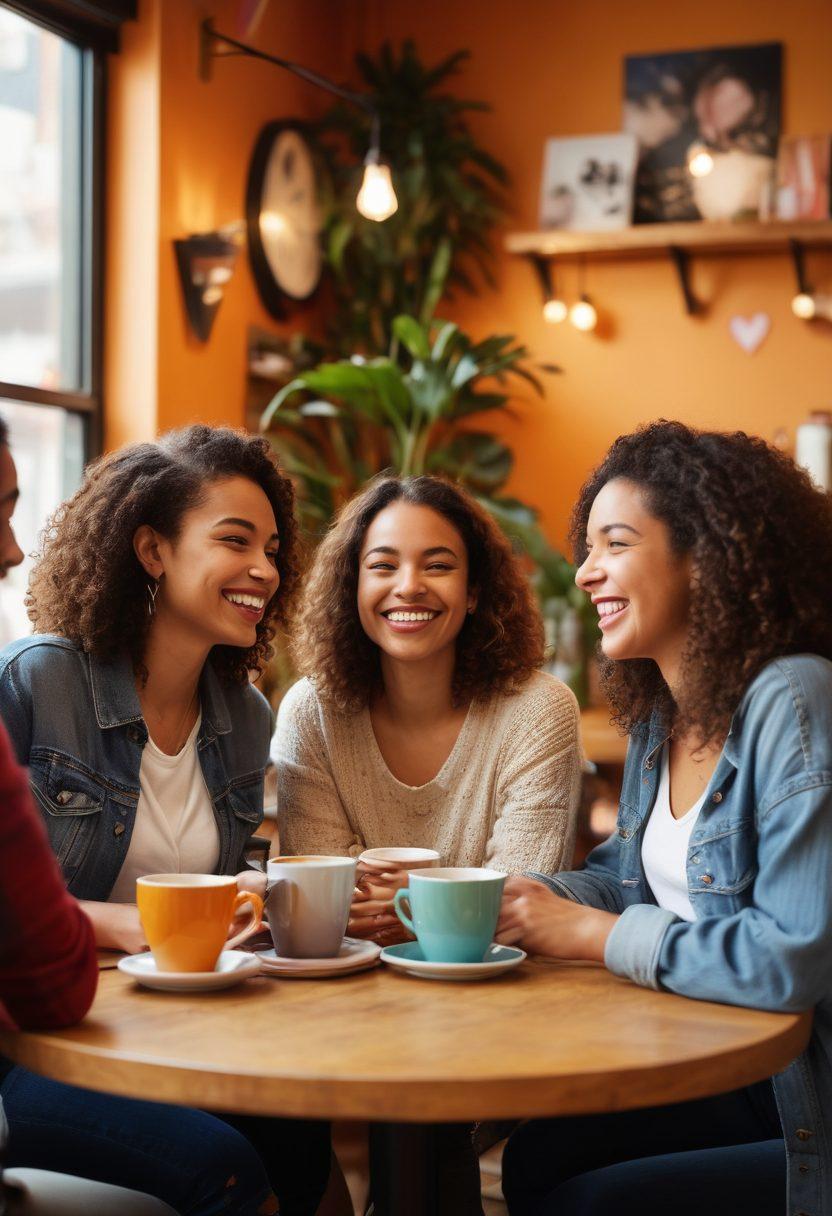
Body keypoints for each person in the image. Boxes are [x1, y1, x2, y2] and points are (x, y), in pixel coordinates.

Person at [496, 420, 832, 1216]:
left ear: (707, 556)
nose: (584, 573)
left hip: (805, 1099)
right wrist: (515, 896)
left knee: (594, 1202)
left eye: (614, 545)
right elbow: (627, 881)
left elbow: (787, 961)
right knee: (538, 1158)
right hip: (734, 1068)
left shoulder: (795, 698)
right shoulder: (663, 714)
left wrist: (590, 935)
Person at [0, 424, 330, 1215]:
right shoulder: (37, 683)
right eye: (235, 541)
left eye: (273, 548)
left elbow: (211, 900)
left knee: (301, 1137)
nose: (266, 569)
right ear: (152, 551)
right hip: (31, 1045)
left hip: (167, 1026)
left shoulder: (246, 717)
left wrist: (249, 899)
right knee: (221, 1168)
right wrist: (128, 924)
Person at [272, 474, 582, 1216]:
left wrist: (372, 897)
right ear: (354, 586)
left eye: (438, 564)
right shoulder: (311, 712)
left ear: (475, 591)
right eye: (382, 565)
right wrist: (437, 899)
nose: (408, 586)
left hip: (491, 1011)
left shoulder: (538, 711)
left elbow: (515, 902)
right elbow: (322, 904)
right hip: (341, 1015)